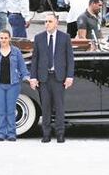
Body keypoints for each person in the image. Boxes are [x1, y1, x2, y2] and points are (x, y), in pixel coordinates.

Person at [29, 13, 75, 143]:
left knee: (59, 107)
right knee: (46, 107)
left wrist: (69, 76)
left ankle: (60, 133)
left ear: (56, 23)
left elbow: (70, 58)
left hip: (58, 77)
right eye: (45, 22)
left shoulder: (65, 38)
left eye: (49, 21)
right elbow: (35, 59)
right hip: (44, 78)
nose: (47, 24)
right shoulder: (39, 38)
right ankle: (46, 134)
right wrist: (33, 77)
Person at [0, 30, 29, 141]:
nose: (3, 40)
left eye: (5, 38)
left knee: (11, 109)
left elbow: (23, 68)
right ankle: (0, 133)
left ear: (9, 39)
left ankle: (11, 133)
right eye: (1, 38)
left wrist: (29, 79)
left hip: (13, 85)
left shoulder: (16, 52)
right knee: (1, 109)